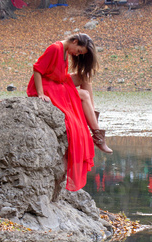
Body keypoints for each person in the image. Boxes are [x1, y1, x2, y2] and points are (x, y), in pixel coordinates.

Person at [27, 33, 112, 192]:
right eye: (79, 51)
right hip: (47, 86)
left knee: (85, 77)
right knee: (84, 95)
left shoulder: (66, 50)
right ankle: (97, 133)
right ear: (74, 41)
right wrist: (40, 93)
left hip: (57, 81)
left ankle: (92, 115)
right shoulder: (55, 48)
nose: (77, 54)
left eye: (80, 54)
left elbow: (60, 73)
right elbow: (37, 69)